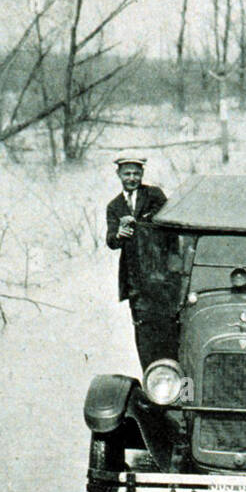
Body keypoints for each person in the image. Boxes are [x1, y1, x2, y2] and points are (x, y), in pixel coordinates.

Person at [105, 155, 169, 369]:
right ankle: (153, 384)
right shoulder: (114, 206)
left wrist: (141, 222)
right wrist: (120, 234)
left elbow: (168, 223)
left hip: (162, 276)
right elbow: (111, 241)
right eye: (127, 174)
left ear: (142, 173)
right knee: (143, 334)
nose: (132, 178)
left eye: (136, 173)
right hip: (135, 281)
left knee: (169, 332)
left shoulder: (154, 195)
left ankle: (179, 387)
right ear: (119, 175)